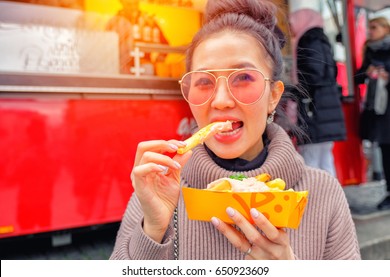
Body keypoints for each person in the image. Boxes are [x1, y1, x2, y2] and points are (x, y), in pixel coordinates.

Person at [110, 0, 360, 260]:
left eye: (243, 78)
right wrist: (152, 231)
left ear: (274, 96)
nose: (220, 100)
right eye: (204, 81)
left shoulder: (323, 194)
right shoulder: (157, 191)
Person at [289, 8, 346, 177]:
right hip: (324, 108)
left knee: (310, 158)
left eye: (291, 23)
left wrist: (292, 91)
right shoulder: (322, 40)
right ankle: (332, 199)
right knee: (324, 158)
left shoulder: (308, 40)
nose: (290, 28)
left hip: (314, 109)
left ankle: (315, 200)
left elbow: (312, 76)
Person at [355, 16, 390, 210]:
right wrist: (368, 72)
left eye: (374, 27)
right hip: (378, 108)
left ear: (386, 28)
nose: (371, 31)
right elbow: (358, 77)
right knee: (385, 150)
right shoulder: (370, 49)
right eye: (369, 28)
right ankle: (388, 192)